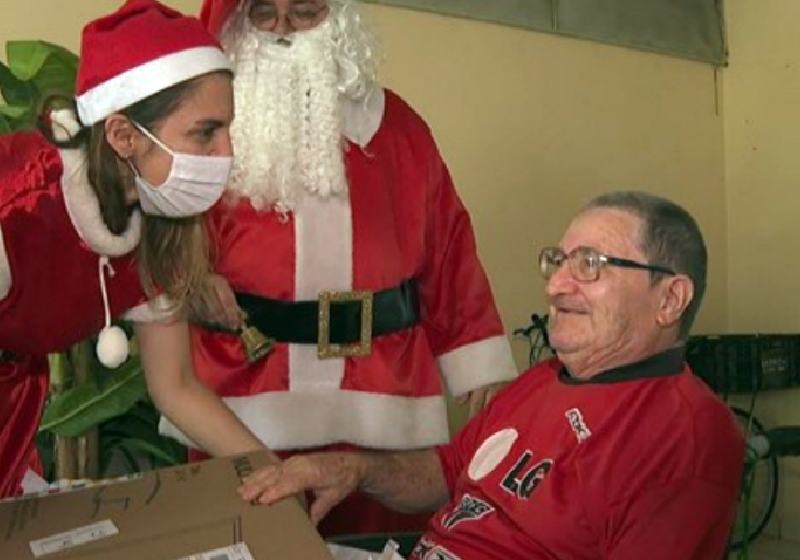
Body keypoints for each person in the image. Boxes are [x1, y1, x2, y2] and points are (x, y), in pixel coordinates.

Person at [158, 0, 518, 536]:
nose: (283, 29)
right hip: (240, 399)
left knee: (379, 547)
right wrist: (188, 277)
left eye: (304, 12)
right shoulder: (206, 132)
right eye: (263, 14)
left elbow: (448, 248)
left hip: (380, 405)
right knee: (243, 544)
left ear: (338, 18)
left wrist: (477, 362)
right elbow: (159, 224)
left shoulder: (398, 129)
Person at [240, 191, 746, 559]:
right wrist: (354, 469)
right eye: (559, 261)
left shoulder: (687, 436)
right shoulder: (544, 379)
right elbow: (447, 472)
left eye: (590, 265)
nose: (557, 286)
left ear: (669, 299)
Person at [0, 0, 269, 499]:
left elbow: (176, 388)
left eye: (228, 130)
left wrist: (273, 476)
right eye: (205, 132)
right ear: (123, 135)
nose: (225, 153)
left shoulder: (153, 226)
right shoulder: (18, 202)